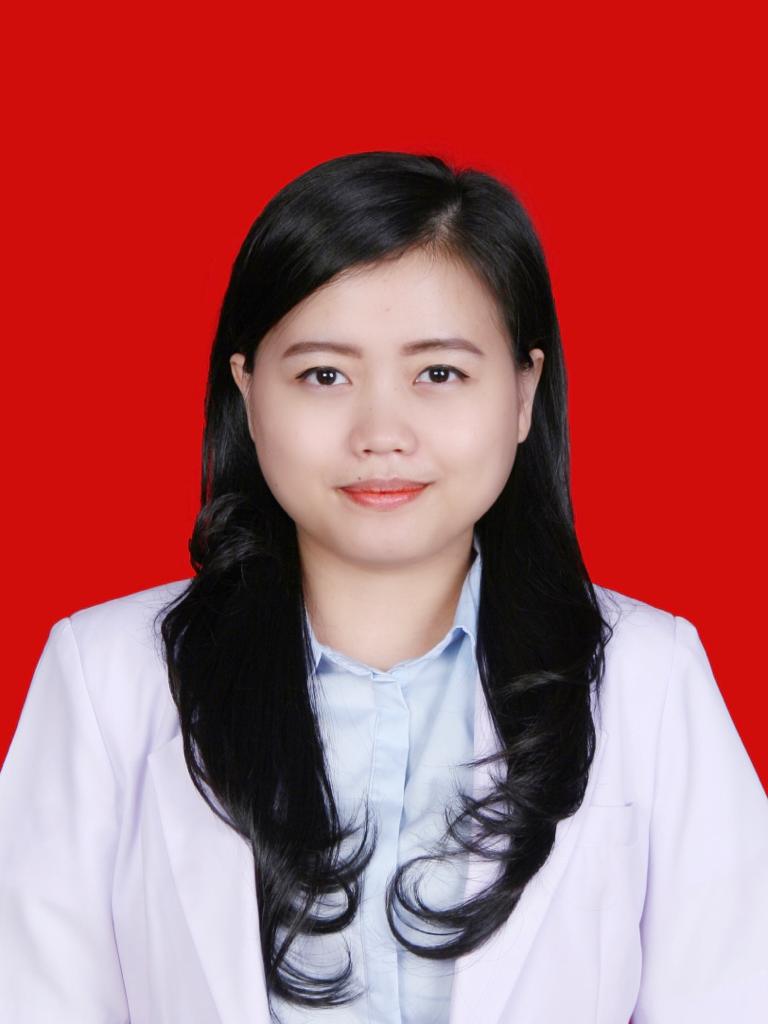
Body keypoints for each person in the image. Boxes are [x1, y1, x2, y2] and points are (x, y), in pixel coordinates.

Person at [0, 151, 766, 1024]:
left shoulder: (649, 677)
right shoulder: (107, 677)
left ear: (523, 392)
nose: (381, 433)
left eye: (438, 373)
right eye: (324, 375)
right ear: (247, 391)